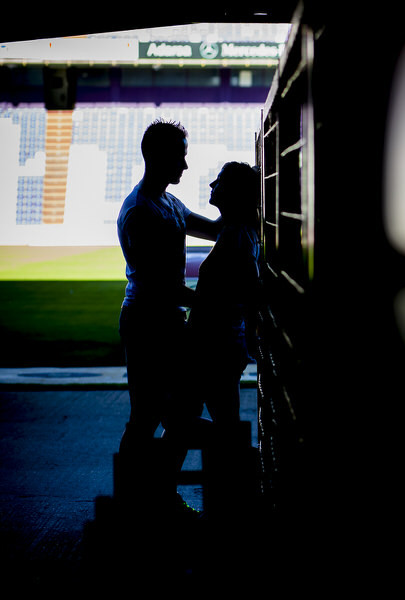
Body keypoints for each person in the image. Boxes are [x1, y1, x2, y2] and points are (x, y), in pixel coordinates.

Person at [115, 119, 221, 514]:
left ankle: (155, 495)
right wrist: (214, 302)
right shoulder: (141, 211)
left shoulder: (168, 203)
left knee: (180, 411)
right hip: (147, 322)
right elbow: (161, 286)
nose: (185, 165)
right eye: (180, 156)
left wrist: (241, 200)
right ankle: (138, 501)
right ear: (157, 156)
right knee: (147, 415)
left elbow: (214, 230)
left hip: (167, 320)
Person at [187, 161, 262, 427]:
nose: (212, 184)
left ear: (233, 192)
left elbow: (250, 289)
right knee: (190, 419)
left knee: (190, 420)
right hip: (220, 343)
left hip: (216, 346)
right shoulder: (237, 231)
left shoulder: (235, 236)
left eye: (219, 180)